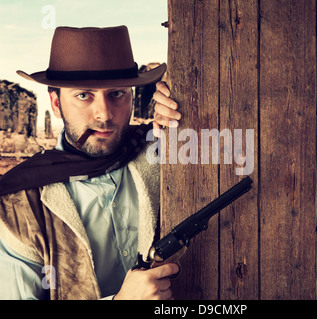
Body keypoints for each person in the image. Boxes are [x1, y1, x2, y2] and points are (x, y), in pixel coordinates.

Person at [0, 25, 181, 300]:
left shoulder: (160, 152)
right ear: (56, 103)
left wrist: (186, 113)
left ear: (133, 97)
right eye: (84, 95)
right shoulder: (16, 207)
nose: (104, 114)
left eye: (117, 94)